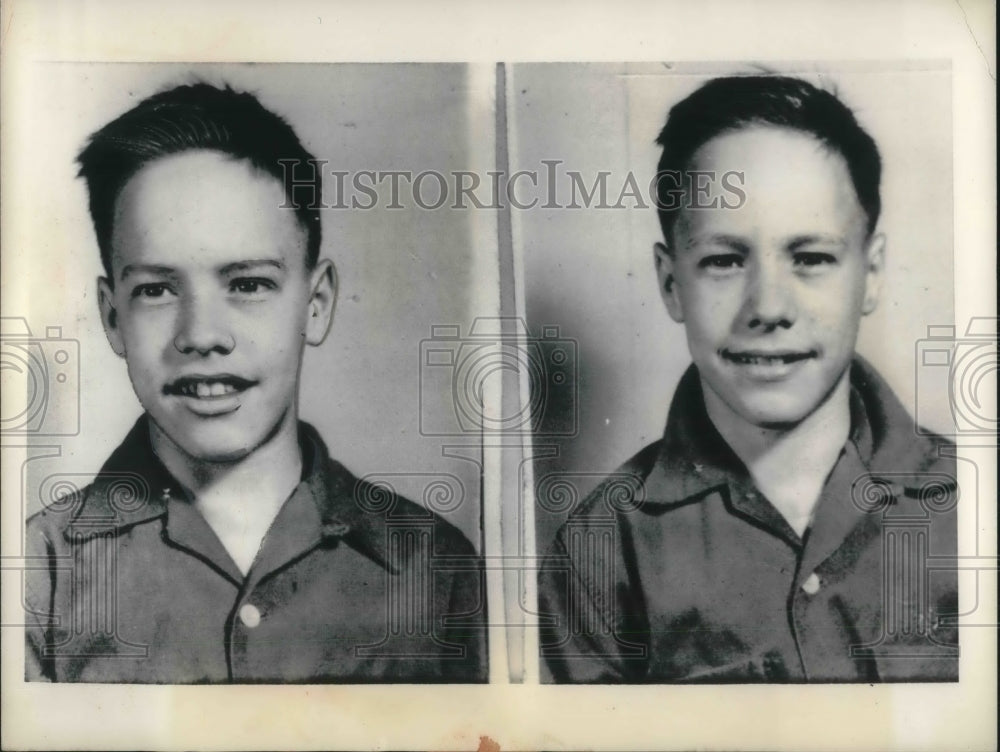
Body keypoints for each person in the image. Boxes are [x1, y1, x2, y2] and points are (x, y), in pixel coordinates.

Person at [25, 83, 486, 683]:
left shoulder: (437, 568)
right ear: (113, 317)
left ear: (316, 303)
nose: (202, 335)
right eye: (157, 290)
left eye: (247, 284)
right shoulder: (37, 574)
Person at [538, 75, 958, 683]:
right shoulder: (599, 556)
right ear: (669, 282)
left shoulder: (975, 505)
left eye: (811, 258)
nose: (767, 307)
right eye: (724, 260)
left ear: (871, 275)